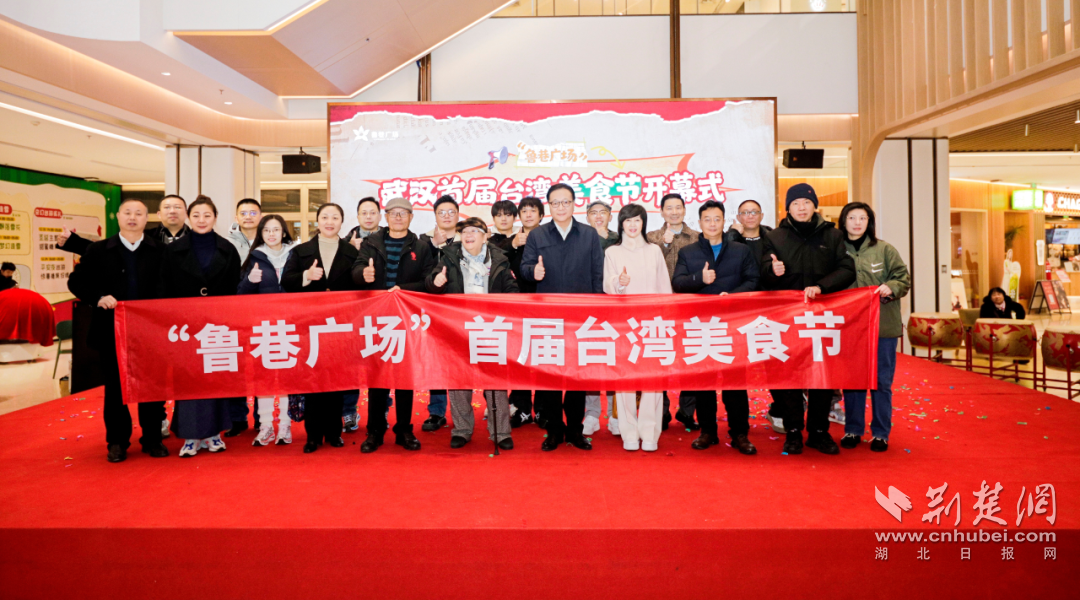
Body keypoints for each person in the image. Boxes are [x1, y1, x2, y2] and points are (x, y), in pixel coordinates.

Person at [67, 198, 167, 462]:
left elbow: (169, 286)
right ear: (118, 216)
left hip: (150, 332)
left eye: (138, 213)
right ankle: (117, 441)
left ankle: (153, 439)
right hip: (111, 331)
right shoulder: (98, 250)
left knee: (151, 387)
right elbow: (76, 282)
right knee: (115, 388)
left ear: (147, 218)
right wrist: (98, 297)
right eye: (127, 213)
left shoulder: (160, 250)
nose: (132, 217)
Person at [760, 183, 856, 455]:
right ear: (787, 208)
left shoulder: (833, 235)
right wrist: (772, 270)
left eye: (806, 202)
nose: (801, 208)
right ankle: (793, 431)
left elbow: (847, 269)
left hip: (822, 317)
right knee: (788, 375)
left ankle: (818, 432)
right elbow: (762, 273)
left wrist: (822, 287)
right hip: (787, 318)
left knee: (821, 375)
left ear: (815, 206)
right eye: (795, 203)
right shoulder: (774, 237)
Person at [520, 183, 604, 451]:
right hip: (548, 317)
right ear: (549, 206)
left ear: (574, 204)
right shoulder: (537, 235)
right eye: (555, 203)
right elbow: (524, 267)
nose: (560, 207)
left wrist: (597, 312)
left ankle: (575, 431)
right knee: (551, 377)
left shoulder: (589, 235)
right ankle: (554, 430)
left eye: (565, 202)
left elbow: (598, 274)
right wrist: (533, 272)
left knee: (578, 377)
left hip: (581, 318)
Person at [673, 200, 761, 455]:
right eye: (707, 219)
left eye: (717, 219)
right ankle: (707, 431)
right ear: (699, 222)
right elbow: (678, 283)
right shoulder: (688, 252)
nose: (712, 224)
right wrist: (699, 279)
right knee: (704, 382)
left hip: (733, 324)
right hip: (701, 325)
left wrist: (732, 295)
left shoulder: (740, 250)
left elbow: (753, 280)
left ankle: (739, 433)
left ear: (724, 221)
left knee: (735, 382)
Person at [158, 196, 242, 458]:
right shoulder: (172, 251)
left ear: (215, 218)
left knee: (216, 377)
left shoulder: (228, 249)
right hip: (185, 326)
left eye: (207, 215)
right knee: (189, 379)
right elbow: (164, 288)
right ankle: (190, 436)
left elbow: (234, 289)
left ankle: (214, 432)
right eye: (196, 215)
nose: (202, 220)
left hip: (218, 325)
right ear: (188, 218)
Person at [352, 197, 438, 453]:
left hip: (406, 319)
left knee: (404, 377)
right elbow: (356, 270)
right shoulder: (371, 243)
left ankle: (404, 430)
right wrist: (363, 274)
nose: (398, 217)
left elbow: (429, 280)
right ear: (385, 216)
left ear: (411, 217)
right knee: (377, 376)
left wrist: (404, 289)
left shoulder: (421, 247)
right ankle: (375, 431)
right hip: (376, 319)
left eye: (403, 213)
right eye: (393, 213)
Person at [426, 217, 518, 450]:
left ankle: (500, 432)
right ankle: (462, 429)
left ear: (485, 236)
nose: (468, 235)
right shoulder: (449, 257)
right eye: (464, 231)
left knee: (495, 380)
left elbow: (512, 290)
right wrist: (437, 282)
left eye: (474, 231)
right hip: (457, 327)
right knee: (458, 379)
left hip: (491, 326)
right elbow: (431, 285)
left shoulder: (499, 259)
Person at [280, 203, 358, 453]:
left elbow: (359, 287)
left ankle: (334, 432)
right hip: (310, 325)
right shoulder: (301, 251)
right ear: (317, 221)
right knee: (313, 380)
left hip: (339, 325)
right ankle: (312, 435)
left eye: (335, 217)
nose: (329, 222)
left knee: (336, 380)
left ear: (342, 222)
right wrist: (306, 276)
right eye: (325, 217)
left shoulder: (352, 252)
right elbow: (286, 281)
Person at [837, 202, 910, 453]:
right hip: (849, 327)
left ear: (870, 222)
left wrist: (893, 286)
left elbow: (903, 277)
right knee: (853, 380)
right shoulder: (837, 251)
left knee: (882, 381)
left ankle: (880, 433)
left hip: (883, 327)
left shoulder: (884, 250)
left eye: (863, 218)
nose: (857, 223)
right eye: (852, 217)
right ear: (843, 221)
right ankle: (853, 429)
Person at [602, 204, 672, 451]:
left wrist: (666, 321)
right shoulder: (612, 252)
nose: (633, 225)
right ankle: (629, 432)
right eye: (628, 221)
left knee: (653, 381)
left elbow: (664, 288)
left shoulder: (654, 250)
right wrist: (619, 283)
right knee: (625, 381)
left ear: (643, 223)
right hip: (624, 324)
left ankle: (650, 433)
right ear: (621, 224)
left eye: (637, 220)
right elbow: (608, 285)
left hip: (653, 323)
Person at [237, 214, 297, 447]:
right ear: (261, 234)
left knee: (285, 378)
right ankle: (265, 426)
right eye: (267, 230)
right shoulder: (255, 257)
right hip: (263, 327)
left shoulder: (295, 254)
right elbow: (239, 295)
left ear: (284, 232)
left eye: (276, 229)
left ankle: (285, 426)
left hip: (290, 326)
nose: (272, 234)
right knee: (263, 378)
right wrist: (250, 281)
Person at [724, 199, 783, 431]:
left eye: (754, 212)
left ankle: (779, 410)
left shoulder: (774, 239)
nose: (749, 216)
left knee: (773, 362)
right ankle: (738, 424)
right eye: (745, 213)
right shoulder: (730, 239)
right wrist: (732, 235)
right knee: (736, 366)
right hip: (739, 310)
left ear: (761, 215)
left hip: (769, 311)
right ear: (738, 217)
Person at [646, 192, 701, 431]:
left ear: (685, 210)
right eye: (669, 208)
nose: (674, 212)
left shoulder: (698, 237)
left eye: (678, 207)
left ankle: (687, 411)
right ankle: (662, 410)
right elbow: (646, 266)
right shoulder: (650, 238)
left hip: (692, 309)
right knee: (661, 359)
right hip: (659, 310)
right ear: (661, 212)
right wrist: (664, 244)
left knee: (692, 360)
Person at [503, 196, 545, 428]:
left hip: (544, 306)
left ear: (541, 215)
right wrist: (513, 245)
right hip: (516, 308)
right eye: (524, 211)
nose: (528, 215)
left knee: (543, 357)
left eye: (533, 211)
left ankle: (542, 409)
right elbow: (497, 261)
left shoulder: (549, 238)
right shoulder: (512, 240)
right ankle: (522, 408)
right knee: (519, 358)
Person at [420, 194, 461, 432]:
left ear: (458, 215)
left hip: (460, 310)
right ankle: (436, 412)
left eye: (451, 212)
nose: (446, 216)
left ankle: (463, 413)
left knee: (462, 360)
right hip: (432, 309)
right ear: (435, 216)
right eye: (441, 212)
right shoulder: (423, 240)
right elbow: (421, 270)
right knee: (437, 360)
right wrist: (434, 245)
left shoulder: (468, 237)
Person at [342, 196, 383, 433]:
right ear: (357, 216)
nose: (368, 217)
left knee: (382, 361)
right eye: (364, 213)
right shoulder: (345, 242)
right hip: (354, 313)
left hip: (382, 312)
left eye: (372, 212)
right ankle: (349, 411)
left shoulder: (388, 238)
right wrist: (350, 252)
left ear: (379, 215)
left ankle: (382, 410)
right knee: (351, 363)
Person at [58, 194, 192, 257]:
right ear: (158, 214)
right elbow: (104, 251)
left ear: (186, 213)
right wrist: (72, 241)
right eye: (167, 207)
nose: (172, 211)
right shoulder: (143, 236)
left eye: (177, 207)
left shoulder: (197, 239)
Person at [584, 200, 619, 435]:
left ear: (610, 216)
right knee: (591, 360)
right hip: (589, 307)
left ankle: (615, 414)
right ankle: (592, 413)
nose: (598, 216)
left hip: (616, 308)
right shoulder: (581, 238)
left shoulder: (621, 238)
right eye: (593, 213)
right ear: (587, 217)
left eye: (603, 212)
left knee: (615, 359)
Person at [228, 198, 262, 263]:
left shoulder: (269, 241)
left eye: (253, 213)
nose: (248, 217)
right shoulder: (227, 243)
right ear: (236, 219)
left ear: (261, 218)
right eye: (243, 214)